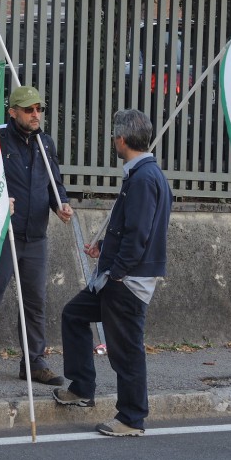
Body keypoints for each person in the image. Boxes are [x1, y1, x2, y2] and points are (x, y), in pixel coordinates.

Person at [54, 108, 172, 437]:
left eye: (113, 136)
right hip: (117, 275)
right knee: (74, 314)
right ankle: (81, 388)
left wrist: (117, 270)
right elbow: (135, 230)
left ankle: (132, 418)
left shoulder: (144, 178)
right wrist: (105, 248)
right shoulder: (143, 174)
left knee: (126, 350)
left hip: (126, 281)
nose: (112, 141)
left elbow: (139, 234)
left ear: (121, 139)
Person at [0, 85, 73, 387]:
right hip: (1, 235)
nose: (36, 115)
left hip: (35, 237)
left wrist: (60, 204)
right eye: (29, 110)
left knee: (35, 303)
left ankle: (34, 363)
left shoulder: (45, 143)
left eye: (39, 109)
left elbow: (54, 182)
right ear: (12, 112)